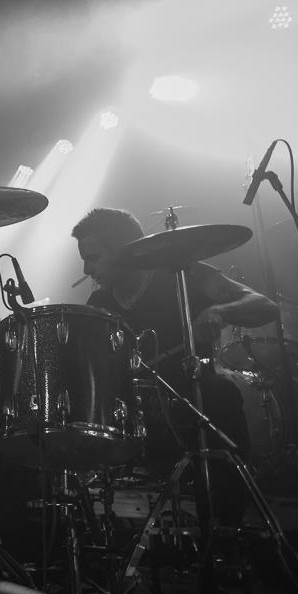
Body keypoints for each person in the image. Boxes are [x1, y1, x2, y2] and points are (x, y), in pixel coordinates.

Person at [71, 207, 278, 525]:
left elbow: (265, 306)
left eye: (94, 257)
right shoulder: (99, 306)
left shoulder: (183, 275)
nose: (87, 269)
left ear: (124, 249)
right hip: (132, 418)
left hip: (192, 406)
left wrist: (219, 312)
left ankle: (226, 528)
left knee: (219, 391)